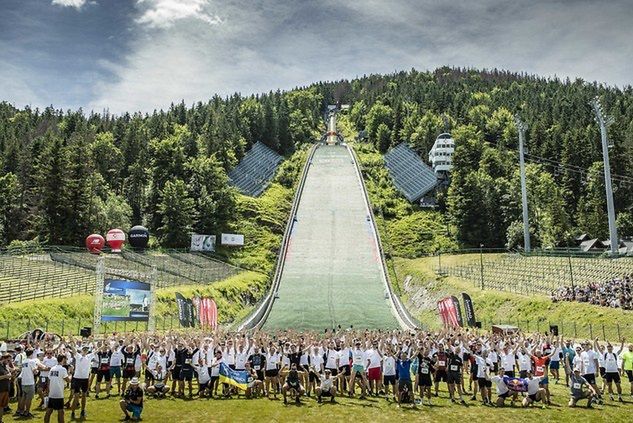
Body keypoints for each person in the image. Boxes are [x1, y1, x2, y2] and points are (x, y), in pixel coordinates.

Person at [68, 344, 94, 420]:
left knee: (84, 396)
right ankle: (73, 412)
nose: (85, 351)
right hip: (77, 379)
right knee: (76, 397)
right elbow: (73, 349)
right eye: (84, 349)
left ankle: (82, 410)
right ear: (81, 350)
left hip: (85, 379)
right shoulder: (78, 356)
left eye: (86, 349)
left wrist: (104, 345)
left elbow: (97, 350)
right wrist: (71, 339)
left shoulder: (89, 356)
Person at [44, 355, 70, 423]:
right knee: (61, 412)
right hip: (59, 394)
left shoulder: (52, 368)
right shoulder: (63, 369)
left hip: (51, 393)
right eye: (65, 359)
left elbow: (48, 380)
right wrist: (71, 374)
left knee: (49, 411)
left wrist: (48, 390)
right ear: (63, 359)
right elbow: (68, 380)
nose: (66, 361)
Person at [0, 354, 15, 423]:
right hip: (0, 390)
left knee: (2, 406)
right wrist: (6, 376)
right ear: (3, 358)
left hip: (6, 389)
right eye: (8, 360)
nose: (9, 362)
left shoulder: (5, 366)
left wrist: (12, 375)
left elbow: (9, 374)